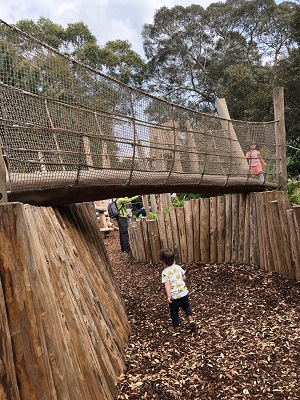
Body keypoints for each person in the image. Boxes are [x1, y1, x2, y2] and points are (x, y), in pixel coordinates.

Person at [160, 248, 196, 335]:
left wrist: (169, 296)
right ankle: (190, 318)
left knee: (174, 311)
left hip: (174, 297)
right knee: (186, 306)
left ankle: (176, 327)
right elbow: (184, 278)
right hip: (183, 293)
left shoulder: (165, 272)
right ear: (174, 259)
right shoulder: (178, 267)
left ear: (162, 261)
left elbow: (167, 285)